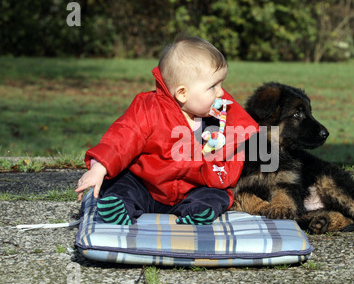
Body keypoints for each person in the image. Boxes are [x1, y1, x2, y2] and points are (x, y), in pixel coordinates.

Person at [75, 36, 259, 225]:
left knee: (216, 195)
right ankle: (119, 207)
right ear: (182, 93)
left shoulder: (217, 118)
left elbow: (233, 147)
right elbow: (121, 138)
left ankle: (197, 211)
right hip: (146, 185)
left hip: (191, 189)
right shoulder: (149, 110)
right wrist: (99, 169)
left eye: (221, 84)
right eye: (213, 86)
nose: (221, 92)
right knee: (120, 185)